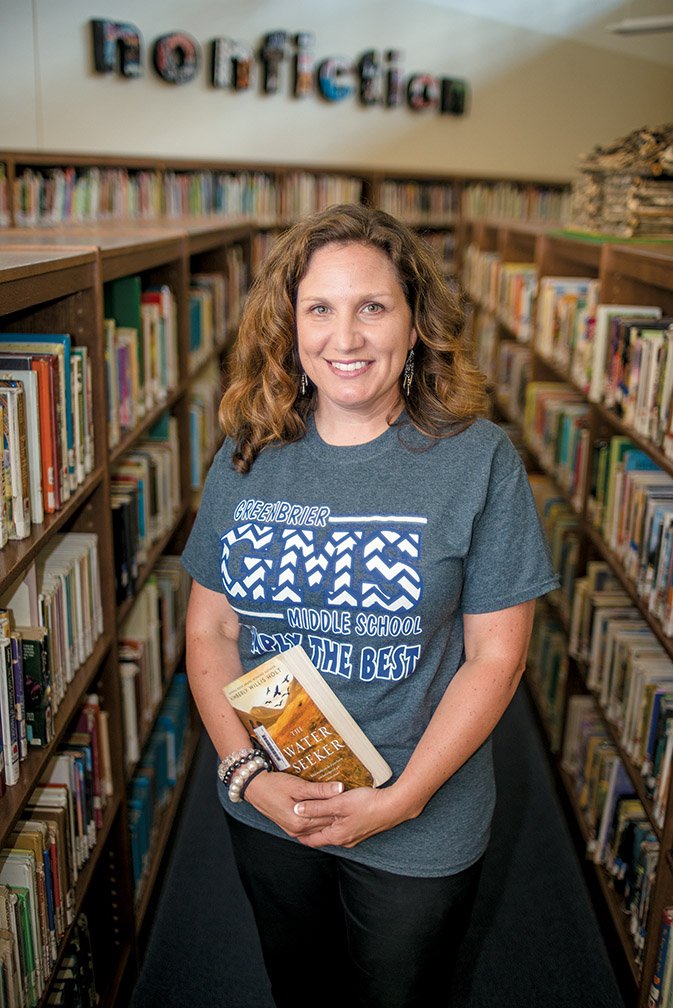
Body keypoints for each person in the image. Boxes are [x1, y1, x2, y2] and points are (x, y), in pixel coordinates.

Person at [181, 202, 558, 1008]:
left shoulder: (478, 460)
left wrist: (402, 799)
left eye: (372, 307)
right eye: (319, 308)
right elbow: (212, 627)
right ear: (289, 324)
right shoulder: (246, 453)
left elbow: (498, 657)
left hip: (420, 815)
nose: (344, 339)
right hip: (271, 801)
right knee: (300, 988)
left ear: (415, 323)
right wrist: (246, 774)